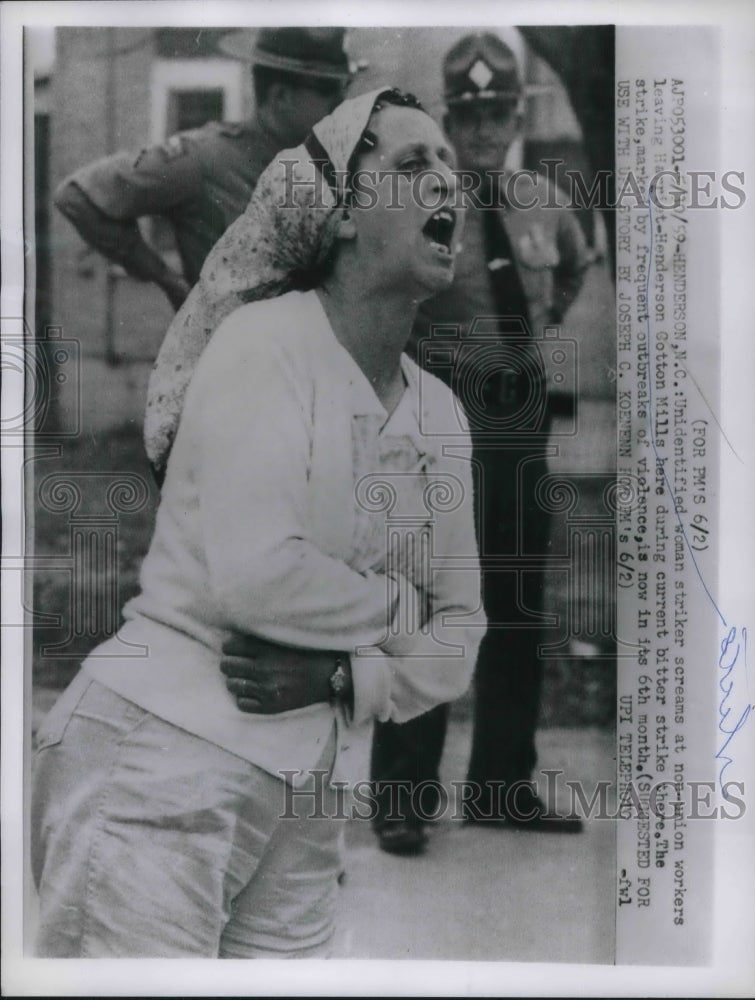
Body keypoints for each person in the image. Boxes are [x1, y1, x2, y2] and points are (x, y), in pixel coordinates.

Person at [31, 88, 484, 958]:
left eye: (449, 166)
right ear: (343, 213)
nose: (446, 183)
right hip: (158, 760)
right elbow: (258, 579)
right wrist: (401, 613)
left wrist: (345, 682)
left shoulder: (440, 416)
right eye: (411, 163)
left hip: (311, 789)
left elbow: (462, 639)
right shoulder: (263, 347)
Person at [370, 32, 590, 855]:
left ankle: (502, 785)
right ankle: (402, 796)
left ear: (516, 116)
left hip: (518, 416)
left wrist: (521, 351)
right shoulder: (416, 200)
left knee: (514, 604)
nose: (486, 128)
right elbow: (386, 299)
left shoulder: (542, 198)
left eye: (500, 112)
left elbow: (566, 275)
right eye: (471, 114)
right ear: (447, 116)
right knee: (427, 602)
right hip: (438, 417)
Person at [53, 27, 352, 311]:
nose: (342, 104)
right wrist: (168, 281)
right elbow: (77, 196)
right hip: (232, 357)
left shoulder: (328, 167)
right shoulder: (206, 157)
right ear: (281, 97)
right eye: (330, 92)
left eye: (345, 88)